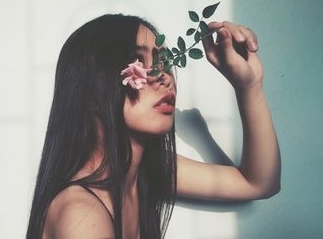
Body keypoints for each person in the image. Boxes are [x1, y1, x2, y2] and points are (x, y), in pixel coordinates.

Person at [26, 14, 281, 239]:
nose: (163, 77)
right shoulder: (81, 214)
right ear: (91, 90)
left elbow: (258, 182)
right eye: (137, 62)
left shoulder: (147, 170)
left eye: (162, 63)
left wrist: (249, 86)